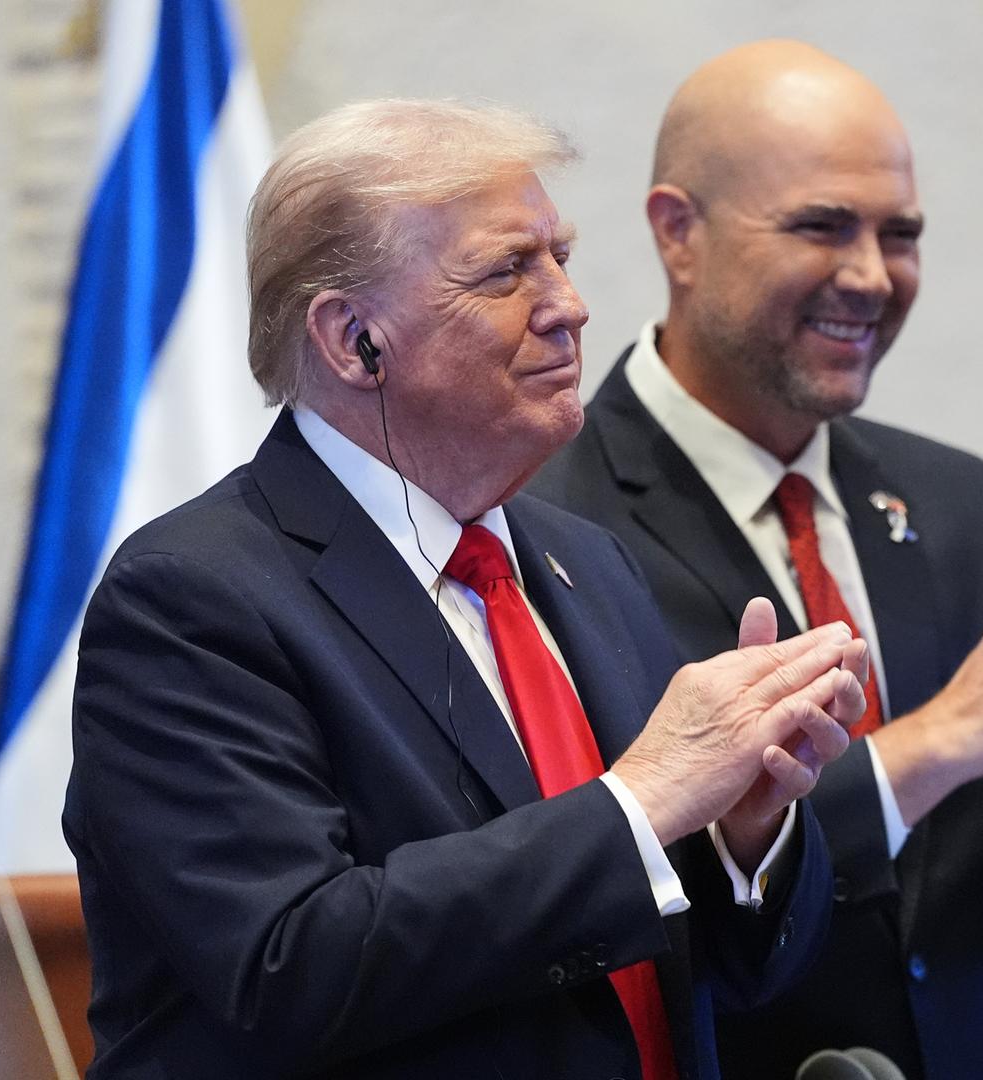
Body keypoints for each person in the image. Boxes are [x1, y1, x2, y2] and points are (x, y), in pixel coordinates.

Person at [65, 99, 869, 1079]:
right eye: (506, 271)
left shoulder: (588, 564)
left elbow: (713, 969)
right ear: (353, 338)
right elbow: (290, 969)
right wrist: (646, 797)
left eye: (560, 257)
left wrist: (745, 831)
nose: (569, 305)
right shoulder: (190, 599)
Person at [529, 40, 983, 1080]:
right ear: (678, 232)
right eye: (822, 226)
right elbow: (595, 919)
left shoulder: (960, 505)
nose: (873, 276)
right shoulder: (544, 524)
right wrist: (947, 737)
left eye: (902, 234)